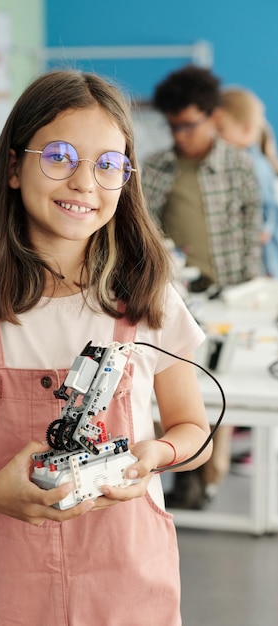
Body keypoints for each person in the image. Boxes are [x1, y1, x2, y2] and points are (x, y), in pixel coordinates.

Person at [0, 69, 212, 626]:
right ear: (15, 167)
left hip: (126, 577)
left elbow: (195, 434)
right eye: (60, 156)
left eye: (108, 165)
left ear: (126, 179)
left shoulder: (147, 300)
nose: (84, 183)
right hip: (1, 580)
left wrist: (154, 455)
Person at [141, 65, 263, 510]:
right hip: (176, 298)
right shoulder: (157, 167)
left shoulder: (237, 165)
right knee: (172, 388)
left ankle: (207, 477)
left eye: (189, 125)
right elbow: (142, 226)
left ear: (213, 116)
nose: (180, 135)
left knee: (220, 384)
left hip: (233, 294)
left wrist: (254, 286)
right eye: (172, 126)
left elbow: (251, 225)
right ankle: (172, 474)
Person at [218, 87, 278, 278]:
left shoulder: (252, 165)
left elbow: (264, 214)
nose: (215, 137)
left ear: (246, 129)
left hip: (262, 260)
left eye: (221, 129)